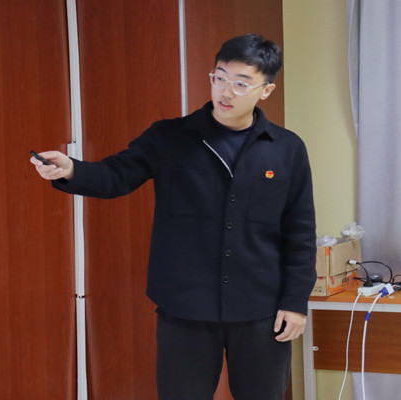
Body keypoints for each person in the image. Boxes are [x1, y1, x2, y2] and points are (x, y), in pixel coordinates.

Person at [31, 33, 316, 400]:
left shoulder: (287, 149)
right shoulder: (169, 137)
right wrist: (71, 169)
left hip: (261, 309)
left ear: (266, 90)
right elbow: (116, 175)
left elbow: (300, 233)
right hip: (185, 308)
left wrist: (295, 302)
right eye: (220, 78)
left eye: (241, 83)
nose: (226, 91)